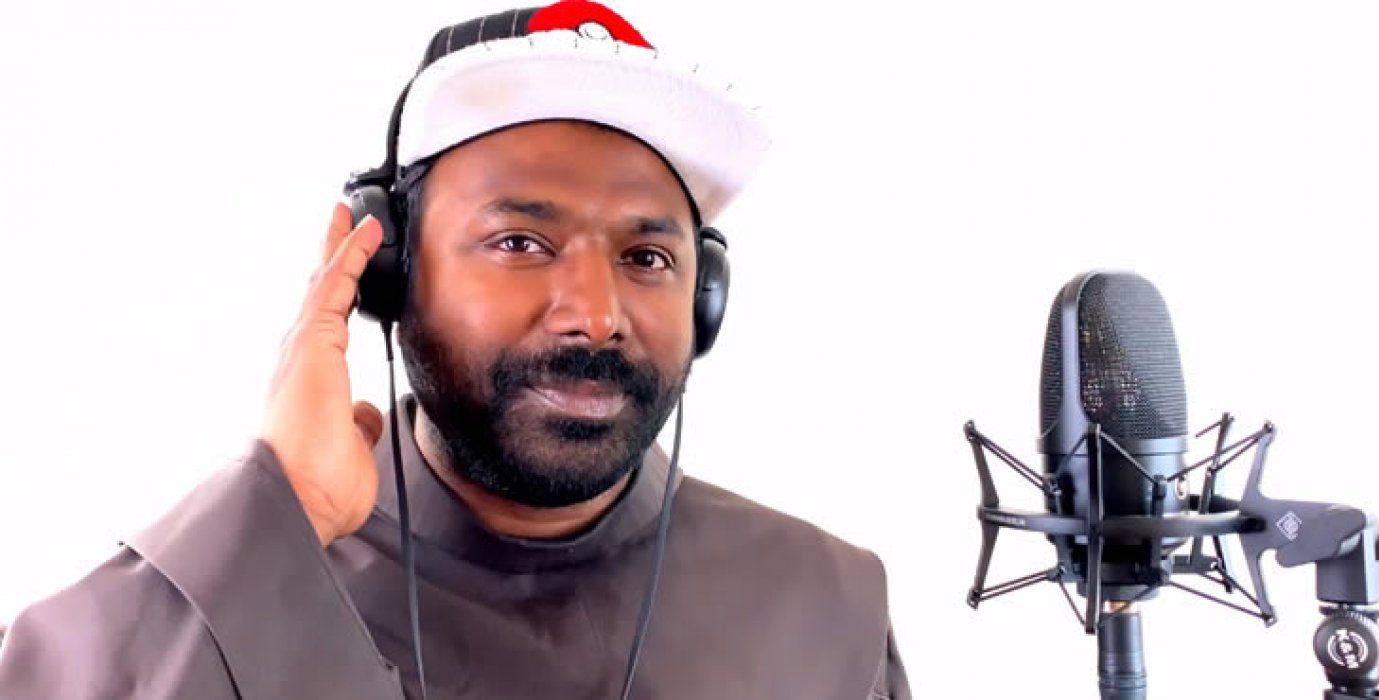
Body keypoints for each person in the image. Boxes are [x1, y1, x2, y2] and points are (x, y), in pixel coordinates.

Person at [0, 2, 909, 698]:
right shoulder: (251, 571)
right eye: (521, 242)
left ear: (706, 300)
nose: (597, 315)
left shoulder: (828, 608)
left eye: (646, 258)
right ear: (386, 272)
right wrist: (275, 513)